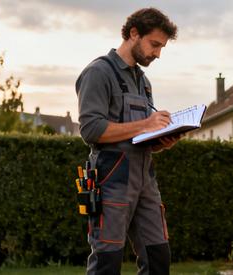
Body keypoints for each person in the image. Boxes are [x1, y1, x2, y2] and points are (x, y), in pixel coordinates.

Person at [75, 7, 179, 275]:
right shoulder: (98, 73)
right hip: (112, 180)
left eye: (161, 47)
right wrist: (146, 124)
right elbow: (91, 129)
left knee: (158, 259)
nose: (158, 53)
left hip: (145, 180)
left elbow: (139, 136)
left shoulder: (143, 82)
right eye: (154, 44)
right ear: (134, 33)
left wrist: (161, 140)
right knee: (107, 263)